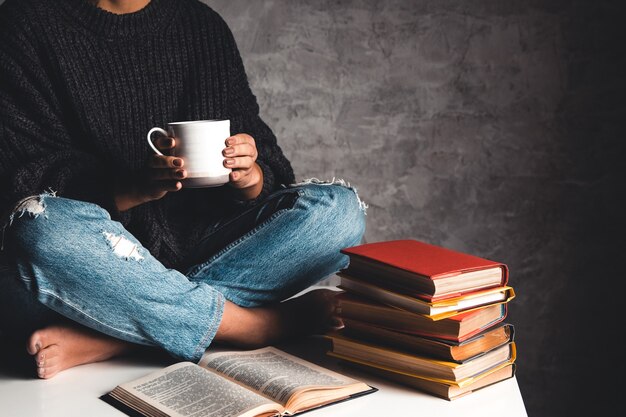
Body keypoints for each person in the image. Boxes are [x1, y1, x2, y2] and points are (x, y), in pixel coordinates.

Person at [0, 0, 366, 379]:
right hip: (88, 268)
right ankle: (257, 326)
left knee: (338, 213)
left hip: (196, 248)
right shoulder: (24, 22)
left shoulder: (201, 25)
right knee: (39, 228)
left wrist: (251, 176)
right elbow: (19, 180)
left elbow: (268, 163)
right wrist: (132, 188)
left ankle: (115, 337)